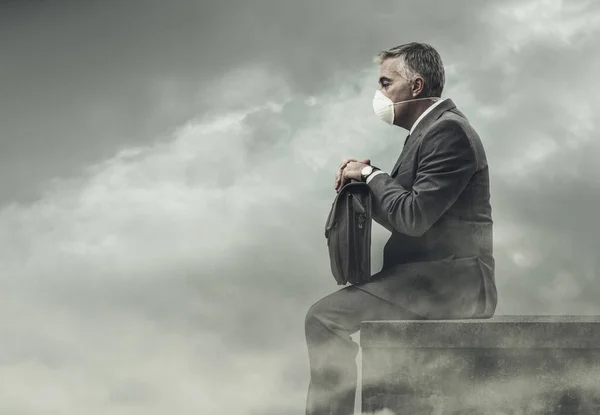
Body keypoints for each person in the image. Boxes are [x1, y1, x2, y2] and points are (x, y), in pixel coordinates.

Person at [304, 42, 498, 415]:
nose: (379, 94)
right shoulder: (429, 132)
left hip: (449, 282)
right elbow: (405, 212)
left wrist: (371, 174)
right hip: (427, 278)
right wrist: (360, 185)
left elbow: (411, 217)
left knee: (324, 318)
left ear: (417, 86)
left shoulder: (449, 133)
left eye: (385, 83)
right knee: (327, 317)